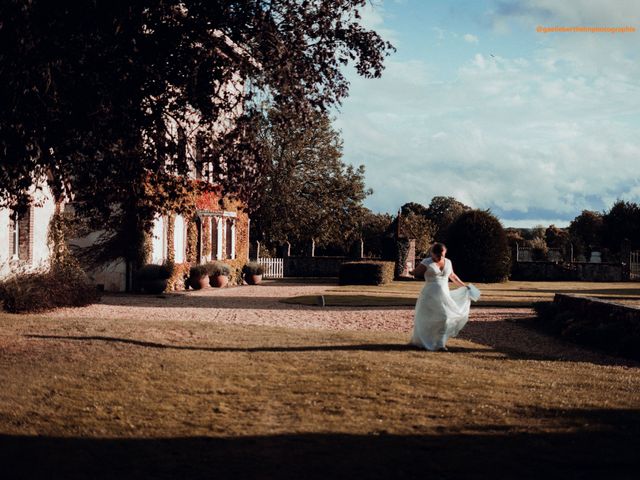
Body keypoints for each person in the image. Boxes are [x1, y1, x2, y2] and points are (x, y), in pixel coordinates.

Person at [409, 242, 480, 351]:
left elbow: (453, 276)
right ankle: (425, 341)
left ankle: (440, 344)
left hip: (444, 295)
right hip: (429, 296)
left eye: (442, 255)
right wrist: (410, 270)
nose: (440, 257)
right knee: (428, 319)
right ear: (432, 253)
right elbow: (415, 273)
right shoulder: (426, 262)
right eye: (438, 255)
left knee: (445, 317)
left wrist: (464, 286)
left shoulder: (448, 262)